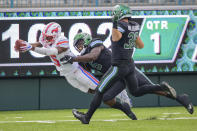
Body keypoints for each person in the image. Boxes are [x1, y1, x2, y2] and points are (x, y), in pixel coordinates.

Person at [70, 5, 194, 124]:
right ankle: (126, 109)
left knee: (151, 89)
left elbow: (100, 50)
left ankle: (180, 98)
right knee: (112, 96)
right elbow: (140, 45)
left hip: (119, 67)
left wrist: (114, 25)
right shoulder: (133, 26)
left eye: (80, 43)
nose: (80, 46)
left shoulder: (96, 42)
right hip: (123, 70)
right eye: (78, 45)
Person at [14, 22, 136, 119]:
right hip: (67, 75)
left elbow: (50, 51)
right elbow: (40, 44)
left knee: (100, 90)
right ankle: (125, 109)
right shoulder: (47, 40)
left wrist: (31, 48)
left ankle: (121, 94)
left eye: (49, 37)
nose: (46, 39)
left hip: (77, 71)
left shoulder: (62, 40)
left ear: (56, 35)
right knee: (96, 93)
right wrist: (27, 45)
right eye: (46, 37)